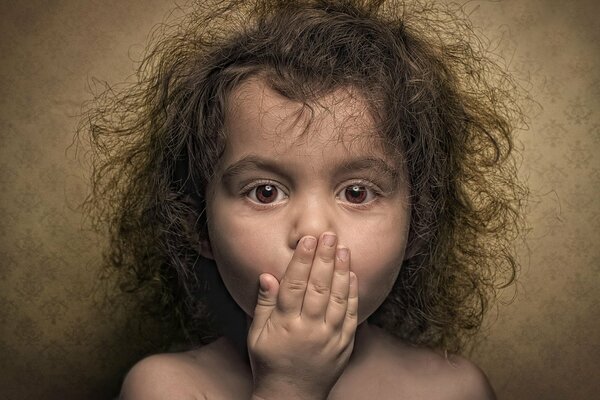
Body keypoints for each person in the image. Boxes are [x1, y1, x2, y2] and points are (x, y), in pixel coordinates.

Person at [80, 0, 526, 398]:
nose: (313, 229)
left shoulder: (455, 389)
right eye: (266, 192)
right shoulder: (166, 387)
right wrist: (288, 388)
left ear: (418, 224)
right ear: (199, 224)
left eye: (356, 192)